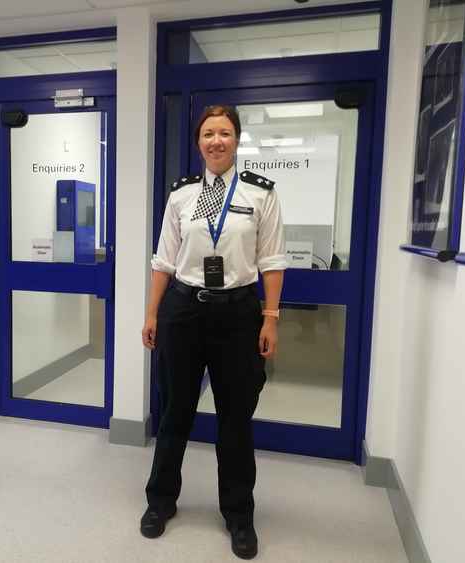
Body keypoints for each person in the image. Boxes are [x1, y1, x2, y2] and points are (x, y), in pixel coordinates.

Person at [139, 105, 287, 560]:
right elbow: (164, 260)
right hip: (184, 311)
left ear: (237, 139)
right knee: (174, 412)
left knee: (235, 419)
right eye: (208, 134)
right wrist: (151, 315)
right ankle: (161, 501)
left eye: (224, 133)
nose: (216, 141)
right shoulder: (182, 196)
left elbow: (273, 260)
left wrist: (270, 317)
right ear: (198, 142)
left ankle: (239, 515)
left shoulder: (260, 194)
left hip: (240, 315)